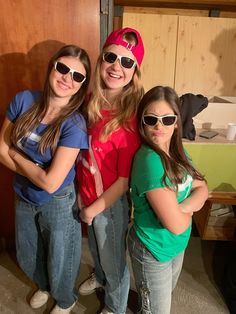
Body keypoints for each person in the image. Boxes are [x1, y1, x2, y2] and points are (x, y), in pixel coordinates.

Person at [0, 45, 91, 314]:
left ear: (81, 86)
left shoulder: (74, 124)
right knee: (29, 253)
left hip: (58, 201)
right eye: (63, 68)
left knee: (60, 258)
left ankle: (65, 299)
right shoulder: (24, 100)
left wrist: (17, 156)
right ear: (51, 67)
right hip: (23, 194)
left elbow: (51, 183)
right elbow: (0, 150)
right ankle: (44, 285)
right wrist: (36, 171)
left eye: (77, 76)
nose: (67, 78)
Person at [76, 27, 145, 314]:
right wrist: (83, 200)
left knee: (113, 259)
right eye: (111, 57)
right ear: (101, 59)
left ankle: (115, 307)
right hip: (87, 195)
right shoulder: (91, 99)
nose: (117, 66)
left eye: (127, 62)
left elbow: (123, 179)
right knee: (96, 248)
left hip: (110, 204)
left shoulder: (132, 115)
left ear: (135, 71)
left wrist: (93, 209)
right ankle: (100, 276)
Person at [127, 86, 209, 314]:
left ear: (177, 122)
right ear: (142, 122)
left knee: (156, 300)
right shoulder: (150, 161)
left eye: (167, 119)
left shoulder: (178, 153)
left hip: (176, 245)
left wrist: (182, 207)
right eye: (151, 119)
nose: (158, 126)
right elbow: (176, 224)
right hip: (153, 249)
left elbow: (203, 187)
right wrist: (190, 209)